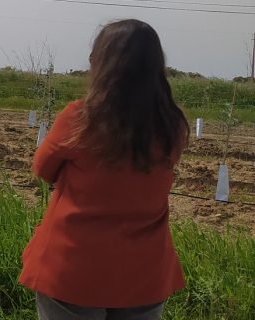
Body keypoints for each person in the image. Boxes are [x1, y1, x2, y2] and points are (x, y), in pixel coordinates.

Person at [19, 19, 188, 320]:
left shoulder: (79, 120)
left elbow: (43, 168)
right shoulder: (172, 127)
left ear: (104, 64)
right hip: (143, 272)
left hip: (72, 268)